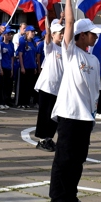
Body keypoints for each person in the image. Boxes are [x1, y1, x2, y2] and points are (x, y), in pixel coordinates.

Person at [48, 0, 101, 202]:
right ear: (81, 35)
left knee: (78, 160)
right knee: (64, 159)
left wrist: (93, 113)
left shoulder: (93, 59)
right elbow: (69, 22)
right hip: (69, 114)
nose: (95, 37)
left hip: (85, 117)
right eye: (92, 34)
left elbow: (95, 90)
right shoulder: (70, 53)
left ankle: (71, 195)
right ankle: (57, 198)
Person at [34, 18, 65, 150]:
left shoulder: (64, 49)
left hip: (58, 88)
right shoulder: (50, 47)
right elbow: (47, 37)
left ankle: (49, 138)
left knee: (54, 115)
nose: (62, 35)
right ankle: (42, 140)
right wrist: (46, 19)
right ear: (53, 34)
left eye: (63, 32)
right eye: (59, 33)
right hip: (47, 86)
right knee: (44, 113)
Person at [0, 28, 14, 109]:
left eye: (10, 34)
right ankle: (0, 102)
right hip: (2, 67)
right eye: (8, 34)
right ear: (4, 35)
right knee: (2, 86)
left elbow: (12, 57)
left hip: (8, 67)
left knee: (8, 86)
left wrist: (11, 69)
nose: (10, 36)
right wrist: (0, 68)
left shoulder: (11, 45)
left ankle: (6, 101)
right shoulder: (1, 44)